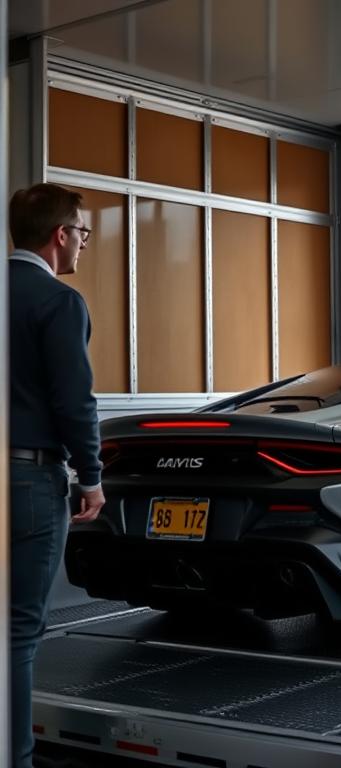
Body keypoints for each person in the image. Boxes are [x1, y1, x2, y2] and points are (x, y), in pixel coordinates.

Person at [8, 183, 105, 767]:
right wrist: (91, 477)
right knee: (18, 632)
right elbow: (75, 401)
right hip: (28, 484)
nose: (84, 245)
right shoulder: (59, 303)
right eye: (83, 233)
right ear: (59, 235)